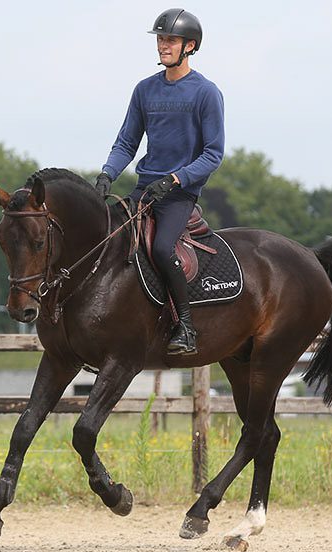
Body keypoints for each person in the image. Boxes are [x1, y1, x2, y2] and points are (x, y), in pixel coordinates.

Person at [95, 8, 225, 355]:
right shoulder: (144, 90)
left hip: (178, 194)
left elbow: (213, 154)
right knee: (109, 241)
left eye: (170, 40)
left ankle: (186, 327)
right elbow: (126, 143)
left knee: (163, 249)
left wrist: (175, 179)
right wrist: (107, 174)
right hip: (144, 187)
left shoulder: (206, 93)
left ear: (190, 46)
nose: (163, 46)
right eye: (160, 39)